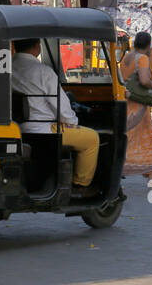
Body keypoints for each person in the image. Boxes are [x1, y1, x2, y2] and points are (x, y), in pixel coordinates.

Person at [11, 38, 101, 190]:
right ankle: (80, 186)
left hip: (17, 128)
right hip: (44, 130)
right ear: (36, 46)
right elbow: (63, 110)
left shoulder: (7, 69)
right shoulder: (43, 71)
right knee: (92, 138)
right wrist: (73, 122)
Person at [118, 32, 152, 183]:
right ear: (148, 45)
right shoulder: (142, 58)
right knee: (140, 138)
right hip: (138, 105)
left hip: (127, 100)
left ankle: (150, 172)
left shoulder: (127, 56)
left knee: (132, 137)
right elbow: (144, 81)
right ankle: (119, 172)